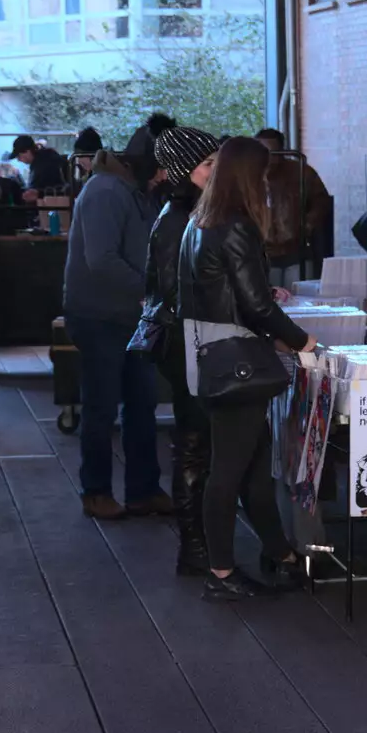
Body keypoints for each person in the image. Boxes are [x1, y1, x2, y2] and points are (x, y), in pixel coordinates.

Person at [177, 137, 316, 599]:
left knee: (251, 468)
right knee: (231, 471)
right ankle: (221, 572)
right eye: (262, 175)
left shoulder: (199, 221)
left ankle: (282, 554)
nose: (266, 184)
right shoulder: (236, 225)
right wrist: (301, 340)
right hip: (237, 361)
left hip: (208, 355)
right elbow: (257, 306)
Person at [62, 148, 167, 520]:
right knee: (101, 407)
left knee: (142, 403)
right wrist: (147, 290)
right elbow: (102, 259)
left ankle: (143, 490)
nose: (165, 177)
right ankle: (96, 491)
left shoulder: (138, 192)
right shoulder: (105, 191)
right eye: (162, 169)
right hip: (99, 315)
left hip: (133, 317)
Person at [144, 126, 220, 574]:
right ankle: (194, 548)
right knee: (193, 444)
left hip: (189, 339)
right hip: (184, 341)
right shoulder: (179, 219)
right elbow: (176, 291)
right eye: (207, 164)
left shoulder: (187, 213)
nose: (215, 172)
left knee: (197, 443)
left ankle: (199, 545)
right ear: (182, 172)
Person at [254, 128, 330, 287]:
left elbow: (321, 201)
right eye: (264, 152)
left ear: (282, 151)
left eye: (274, 153)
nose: (269, 158)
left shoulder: (301, 172)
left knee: (299, 298)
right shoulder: (250, 176)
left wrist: (308, 225)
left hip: (296, 248)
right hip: (262, 251)